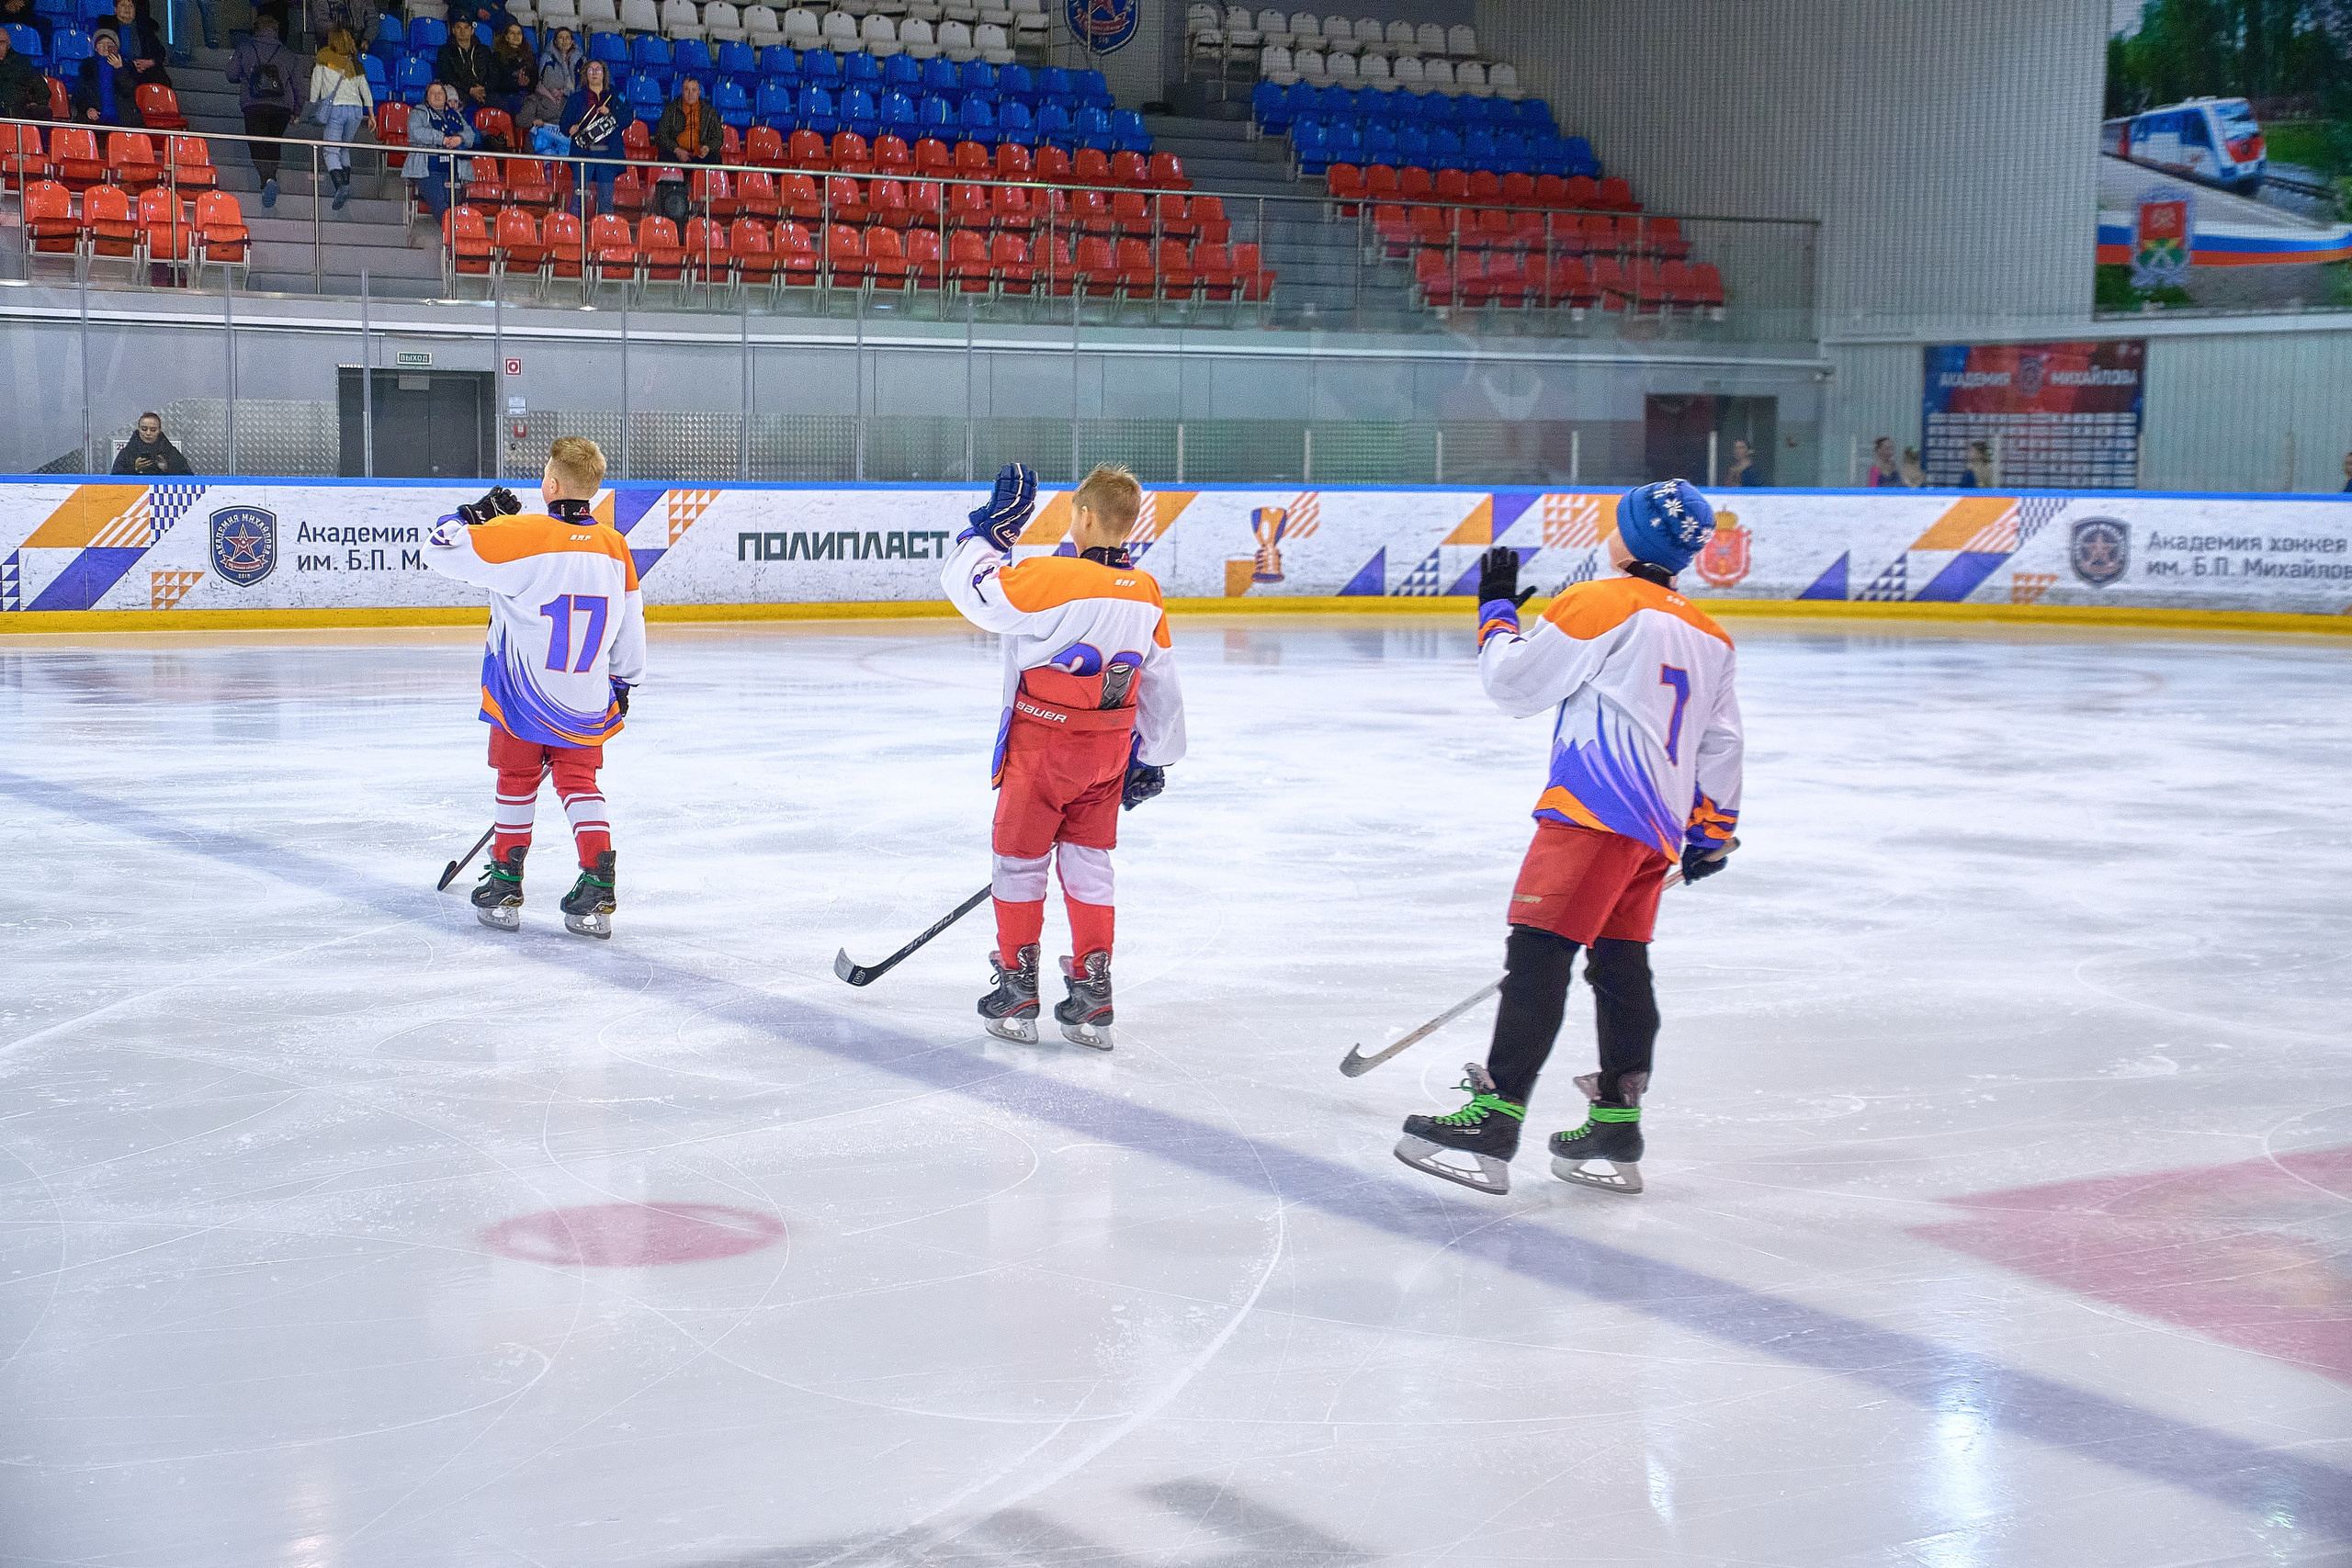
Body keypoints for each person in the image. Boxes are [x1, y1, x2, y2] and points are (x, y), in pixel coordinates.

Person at [1393, 480, 1742, 1198]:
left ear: (1633, 538)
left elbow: (1515, 686)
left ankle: (1494, 1115)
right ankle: (1616, 1118)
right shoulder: (1711, 634)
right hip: (1656, 828)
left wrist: (1494, 613)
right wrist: (1714, 830)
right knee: (1620, 964)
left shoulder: (1600, 601)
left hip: (1593, 811)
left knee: (1540, 952)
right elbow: (1722, 741)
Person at [939, 462, 1188, 1050]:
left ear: (1081, 517)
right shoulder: (1147, 591)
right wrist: (1152, 757)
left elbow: (974, 591)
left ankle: (1018, 985)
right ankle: (1092, 995)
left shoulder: (1050, 577)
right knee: (1089, 866)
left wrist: (988, 533)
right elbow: (1160, 680)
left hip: (1043, 749)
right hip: (1107, 755)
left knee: (1019, 859)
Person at [424, 435, 645, 940]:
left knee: (516, 780)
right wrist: (625, 681)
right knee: (580, 784)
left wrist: (472, 514)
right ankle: (597, 881)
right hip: (586, 697)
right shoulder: (616, 546)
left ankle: (505, 881)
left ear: (549, 484)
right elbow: (631, 622)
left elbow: (438, 547)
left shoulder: (521, 533)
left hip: (521, 697)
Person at [227, 11, 303, 208]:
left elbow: (231, 74)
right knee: (273, 144)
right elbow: (299, 88)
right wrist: (297, 111)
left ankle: (268, 180)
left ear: (256, 29)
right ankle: (270, 179)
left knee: (257, 144)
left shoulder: (245, 48)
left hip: (254, 104)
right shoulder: (288, 55)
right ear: (276, 31)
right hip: (281, 108)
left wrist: (245, 75)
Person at [310, 26, 374, 212]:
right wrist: (371, 114)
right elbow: (365, 89)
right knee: (344, 147)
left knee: (331, 151)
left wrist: (314, 104)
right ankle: (345, 185)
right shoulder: (353, 60)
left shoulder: (323, 56)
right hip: (355, 110)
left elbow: (316, 83)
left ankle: (341, 187)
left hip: (336, 109)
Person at [403, 80, 474, 220]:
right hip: (427, 169)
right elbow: (415, 132)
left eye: (440, 93)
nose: (437, 96)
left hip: (453, 167)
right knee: (440, 205)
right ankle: (453, 235)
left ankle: (452, 236)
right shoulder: (418, 113)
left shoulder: (456, 116)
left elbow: (470, 135)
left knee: (452, 206)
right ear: (427, 97)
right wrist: (441, 138)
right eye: (433, 93)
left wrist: (459, 139)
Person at [560, 57, 622, 216]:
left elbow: (627, 118)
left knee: (606, 201)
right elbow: (563, 123)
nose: (594, 73)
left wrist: (610, 113)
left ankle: (603, 237)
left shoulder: (615, 97)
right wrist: (570, 128)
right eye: (590, 70)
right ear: (586, 75)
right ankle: (574, 236)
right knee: (578, 199)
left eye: (598, 70)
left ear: (604, 74)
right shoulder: (576, 98)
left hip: (608, 155)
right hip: (583, 154)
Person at [74, 28, 146, 126]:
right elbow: (79, 93)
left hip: (123, 118)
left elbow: (133, 91)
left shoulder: (128, 65)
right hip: (95, 118)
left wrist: (120, 69)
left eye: (109, 43)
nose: (105, 47)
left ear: (116, 47)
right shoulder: (87, 66)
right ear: (95, 48)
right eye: (100, 44)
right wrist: (87, 108)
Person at [654, 74, 722, 166]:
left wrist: (707, 148)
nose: (690, 94)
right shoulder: (670, 109)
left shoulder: (710, 112)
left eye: (694, 90)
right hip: (676, 152)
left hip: (701, 153)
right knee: (666, 156)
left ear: (699, 92)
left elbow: (718, 138)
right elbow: (660, 135)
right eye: (686, 89)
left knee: (714, 158)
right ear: (682, 91)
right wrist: (676, 149)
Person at [105, 0, 171, 85]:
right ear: (115, 9)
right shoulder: (108, 28)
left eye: (131, 6)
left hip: (145, 71)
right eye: (123, 5)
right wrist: (131, 66)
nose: (127, 9)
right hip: (120, 70)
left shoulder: (144, 27)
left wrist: (150, 62)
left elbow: (159, 51)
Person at [435, 17, 493, 110]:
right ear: (453, 30)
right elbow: (447, 75)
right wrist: (469, 89)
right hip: (460, 90)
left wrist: (484, 89)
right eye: (459, 28)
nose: (463, 31)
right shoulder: (445, 50)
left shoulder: (484, 50)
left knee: (500, 104)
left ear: (472, 30)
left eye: (466, 28)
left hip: (483, 91)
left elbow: (493, 74)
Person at [112, 411, 194, 474]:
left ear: (159, 430)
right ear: (138, 429)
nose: (148, 433)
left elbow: (188, 480)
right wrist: (134, 469)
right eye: (144, 429)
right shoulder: (126, 454)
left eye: (153, 430)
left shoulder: (170, 453)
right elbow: (114, 483)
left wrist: (167, 469)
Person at [489, 20, 536, 116]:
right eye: (512, 33)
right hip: (504, 95)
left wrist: (528, 83)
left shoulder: (529, 56)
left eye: (519, 33)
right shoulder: (497, 57)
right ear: (506, 36)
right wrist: (516, 83)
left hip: (525, 95)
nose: (516, 36)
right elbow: (495, 83)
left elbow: (535, 79)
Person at [0, 26, 47, 118]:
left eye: (1, 42)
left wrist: (37, 102)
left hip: (16, 112)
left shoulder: (21, 63)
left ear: (8, 45)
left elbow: (41, 88)